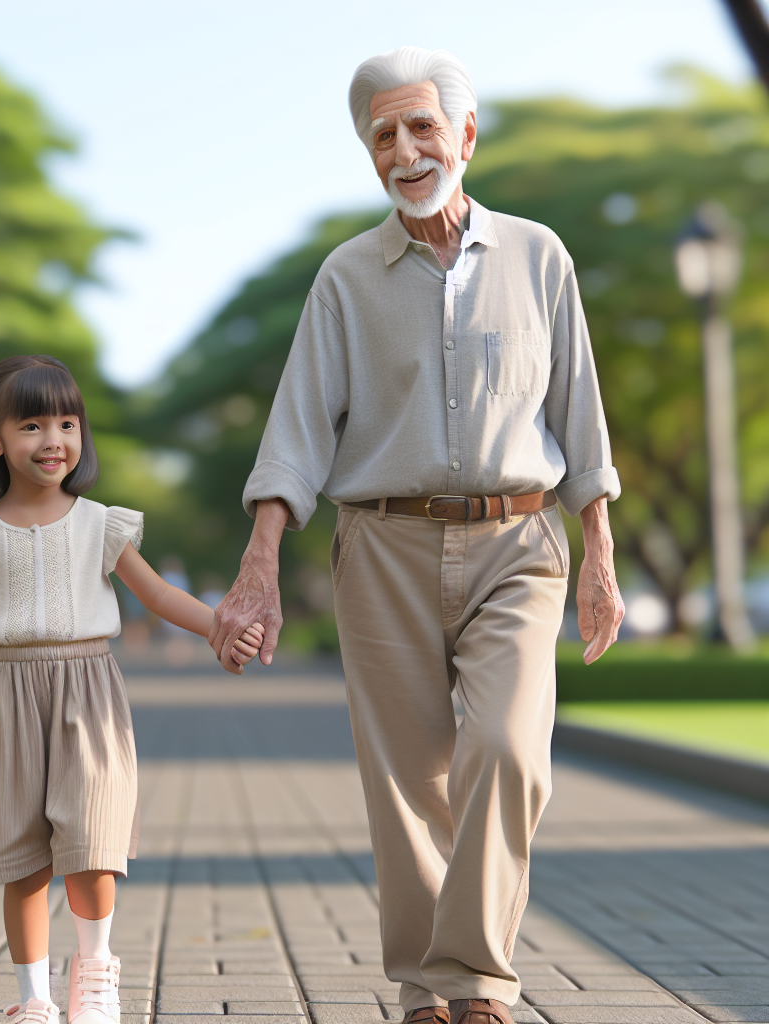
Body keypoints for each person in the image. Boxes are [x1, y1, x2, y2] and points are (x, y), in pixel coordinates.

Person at [209, 47, 624, 1024]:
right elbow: (297, 432)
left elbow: (581, 418)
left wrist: (599, 554)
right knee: (405, 779)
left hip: (519, 544)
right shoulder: (345, 279)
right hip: (382, 547)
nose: (404, 150)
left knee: (509, 750)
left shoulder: (539, 256)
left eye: (422, 127)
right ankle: (427, 989)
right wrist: (258, 566)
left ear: (465, 136)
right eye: (382, 135)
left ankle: (473, 976)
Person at [0, 355, 264, 1024]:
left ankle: (96, 972)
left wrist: (219, 626)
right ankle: (33, 1000)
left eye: (68, 423)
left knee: (93, 841)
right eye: (33, 425)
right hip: (4, 694)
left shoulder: (101, 523)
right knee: (21, 859)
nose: (54, 441)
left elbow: (156, 593)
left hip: (88, 688)